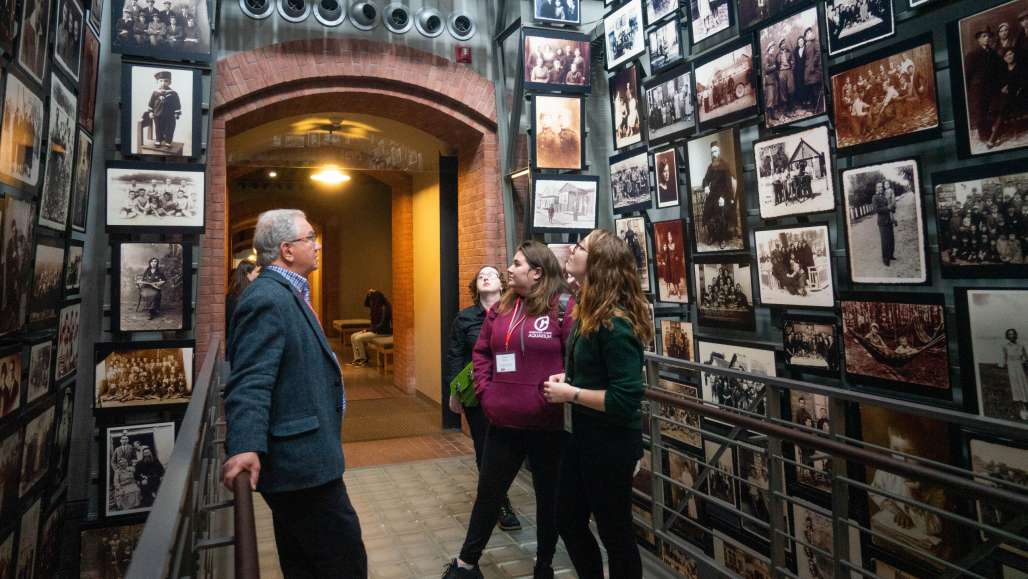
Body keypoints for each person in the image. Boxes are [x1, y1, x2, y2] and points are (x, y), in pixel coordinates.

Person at [222, 209, 367, 578]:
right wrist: (245, 444)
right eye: (309, 238)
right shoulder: (267, 298)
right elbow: (251, 379)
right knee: (343, 560)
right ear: (287, 250)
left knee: (303, 562)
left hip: (306, 459)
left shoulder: (288, 291)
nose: (317, 245)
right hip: (300, 466)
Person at [441, 241, 574, 579]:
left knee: (548, 500)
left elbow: (576, 359)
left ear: (537, 272)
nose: (509, 269)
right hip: (503, 421)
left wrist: (565, 385)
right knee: (489, 494)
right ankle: (466, 564)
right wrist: (486, 392)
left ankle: (543, 565)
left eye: (516, 264)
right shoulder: (501, 308)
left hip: (548, 425)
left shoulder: (563, 308)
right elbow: (482, 352)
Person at [543, 229, 653, 579]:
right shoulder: (588, 310)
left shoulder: (616, 323)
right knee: (567, 519)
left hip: (611, 442)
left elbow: (625, 398)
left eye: (580, 247)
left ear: (598, 263)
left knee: (615, 533)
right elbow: (594, 374)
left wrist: (570, 394)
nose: (572, 250)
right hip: (584, 436)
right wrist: (569, 379)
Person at [444, 265, 521, 531]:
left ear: (502, 284)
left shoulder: (514, 313)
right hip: (478, 394)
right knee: (485, 449)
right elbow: (455, 355)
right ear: (475, 286)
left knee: (511, 447)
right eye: (480, 276)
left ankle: (496, 493)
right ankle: (500, 502)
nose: (485, 277)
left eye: (490, 274)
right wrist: (454, 391)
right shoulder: (464, 318)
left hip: (512, 392)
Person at [701, 141, 738, 249]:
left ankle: (722, 238)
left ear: (719, 152)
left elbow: (728, 185)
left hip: (724, 195)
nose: (714, 154)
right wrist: (706, 186)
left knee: (720, 211)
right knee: (707, 210)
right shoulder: (710, 167)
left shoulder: (725, 166)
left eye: (715, 151)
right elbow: (705, 180)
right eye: (712, 152)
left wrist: (724, 197)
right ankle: (712, 235)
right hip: (712, 196)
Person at [348, 289, 392, 367]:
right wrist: (368, 294)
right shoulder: (375, 307)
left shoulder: (385, 309)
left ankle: (363, 359)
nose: (371, 302)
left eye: (372, 299)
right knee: (353, 336)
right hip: (375, 331)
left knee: (358, 338)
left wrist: (368, 330)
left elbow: (381, 326)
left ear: (377, 299)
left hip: (383, 332)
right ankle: (357, 358)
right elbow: (366, 304)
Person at [226, 261, 260, 354]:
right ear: (247, 273)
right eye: (256, 272)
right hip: (245, 346)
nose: (259, 275)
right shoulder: (246, 295)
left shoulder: (233, 294)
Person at [145, 71, 181, 149]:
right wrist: (150, 112)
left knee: (169, 128)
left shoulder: (173, 93)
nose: (163, 83)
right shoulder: (155, 93)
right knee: (158, 128)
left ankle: (168, 141)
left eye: (166, 81)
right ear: (158, 82)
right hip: (157, 114)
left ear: (170, 82)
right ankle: (158, 140)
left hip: (169, 115)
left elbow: (177, 104)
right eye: (161, 81)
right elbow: (150, 104)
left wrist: (177, 113)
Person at [998, 328, 1028, 421]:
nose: (1011, 336)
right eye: (1009, 334)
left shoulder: (1021, 345)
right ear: (1007, 336)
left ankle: (1026, 405)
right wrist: (1001, 365)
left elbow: (1025, 357)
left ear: (1016, 335)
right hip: (1011, 368)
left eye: (1013, 334)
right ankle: (1022, 410)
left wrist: (1024, 362)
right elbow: (1003, 358)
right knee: (1016, 388)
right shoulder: (1005, 346)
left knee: (1024, 386)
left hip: (1020, 367)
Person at [872, 182, 896, 266]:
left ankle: (890, 255)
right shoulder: (875, 197)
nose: (881, 188)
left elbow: (890, 205)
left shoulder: (885, 196)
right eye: (879, 187)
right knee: (885, 241)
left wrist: (892, 208)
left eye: (881, 187)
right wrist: (887, 208)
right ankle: (885, 259)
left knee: (891, 240)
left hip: (889, 220)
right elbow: (876, 209)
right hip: (882, 222)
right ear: (876, 188)